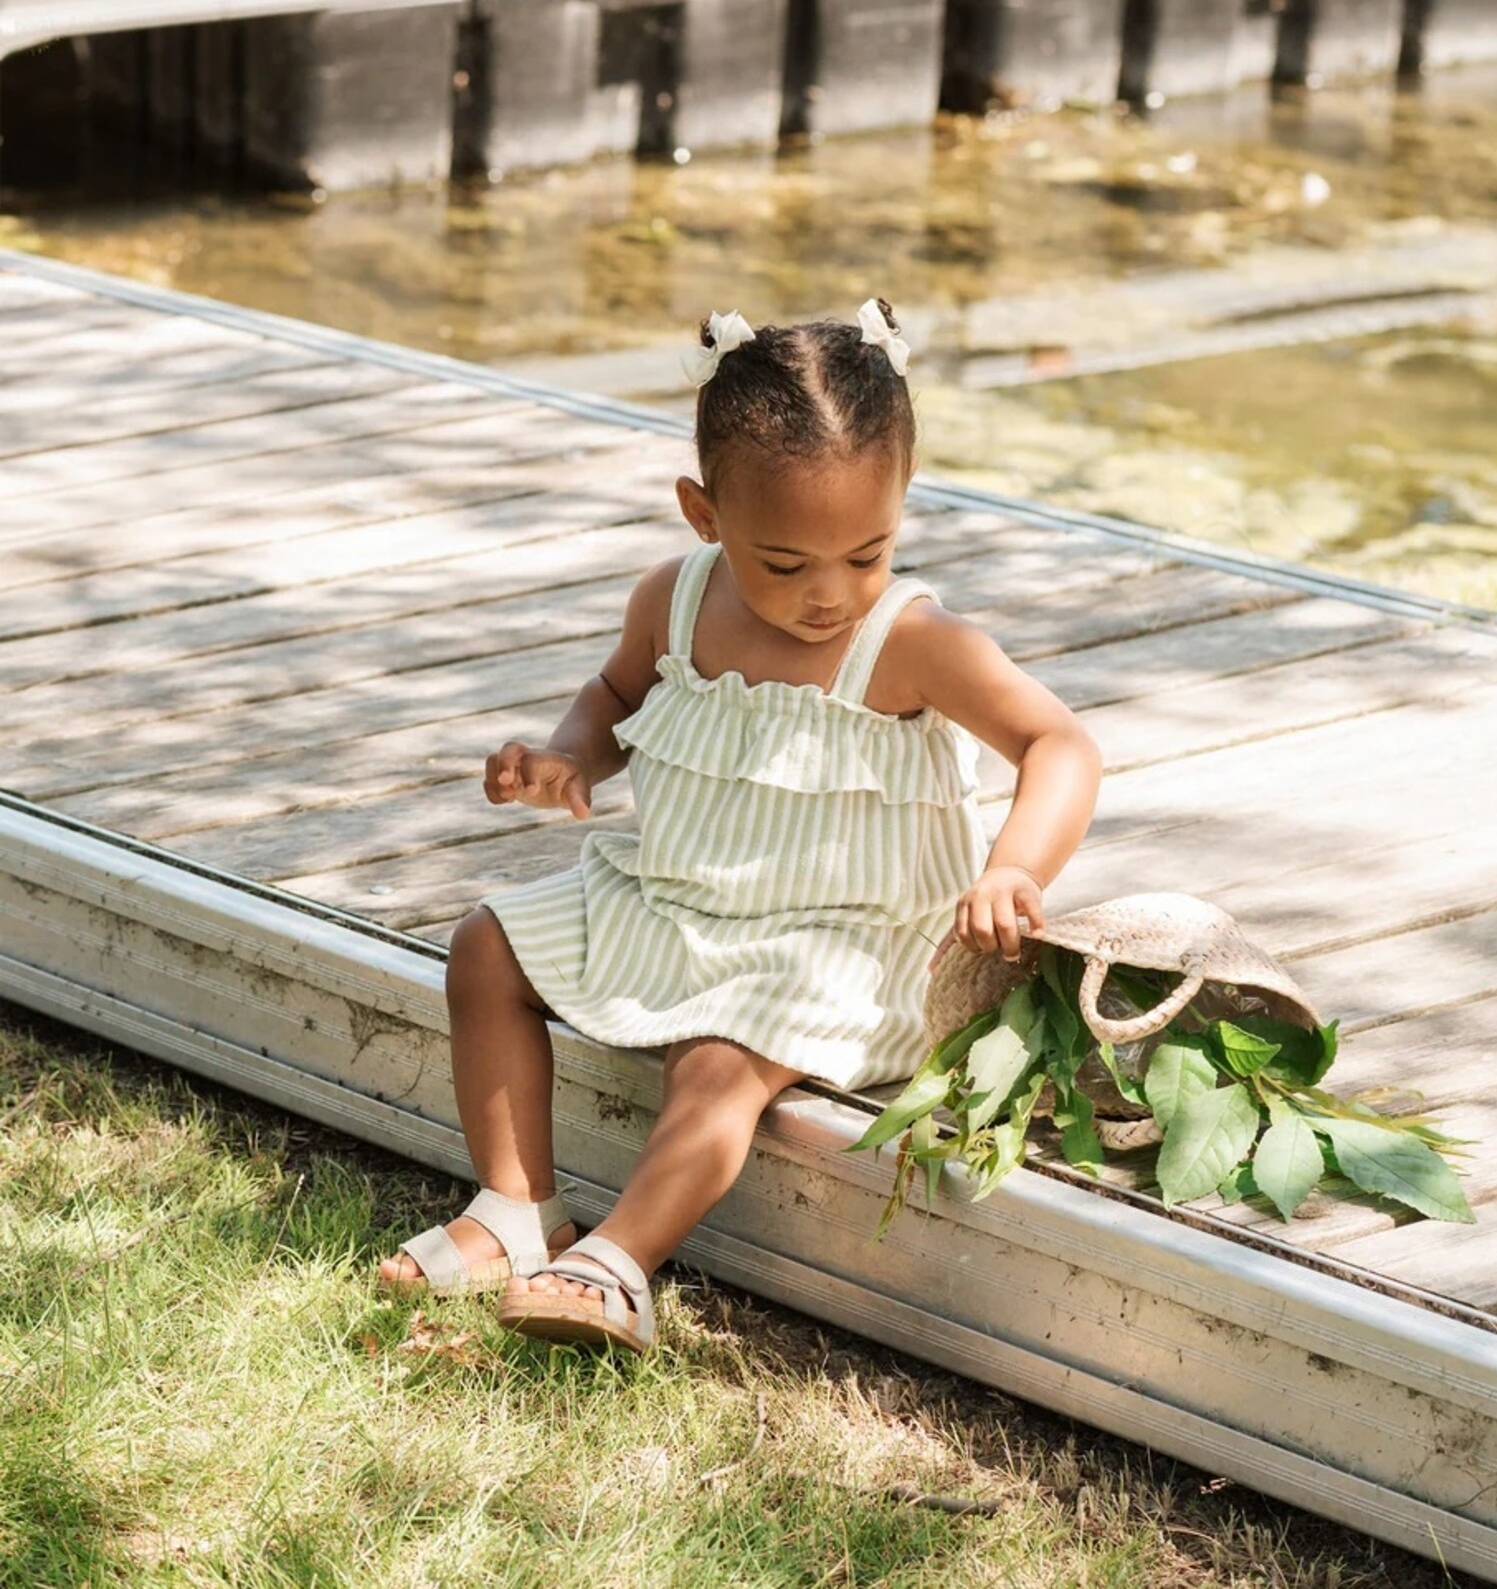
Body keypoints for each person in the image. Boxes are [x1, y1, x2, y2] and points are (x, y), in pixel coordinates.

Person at [378, 299, 1104, 1351]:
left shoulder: (910, 640)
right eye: (784, 562)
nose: (828, 593)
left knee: (717, 1060)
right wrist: (569, 755)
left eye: (866, 553)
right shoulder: (673, 602)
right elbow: (616, 694)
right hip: (682, 898)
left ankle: (618, 1258)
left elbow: (1059, 745)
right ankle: (512, 1206)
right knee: (485, 945)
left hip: (843, 942)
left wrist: (1012, 868)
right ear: (702, 512)